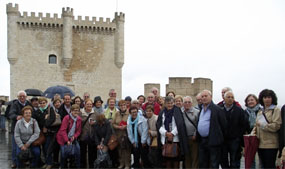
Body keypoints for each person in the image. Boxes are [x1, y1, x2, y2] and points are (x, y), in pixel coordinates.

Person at [251, 89, 281, 168]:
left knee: (269, 166)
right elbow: (256, 125)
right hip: (260, 144)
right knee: (262, 165)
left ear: (272, 98)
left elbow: (276, 125)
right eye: (265, 97)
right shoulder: (260, 111)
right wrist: (252, 134)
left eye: (269, 97)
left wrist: (263, 126)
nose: (267, 99)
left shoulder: (276, 110)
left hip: (271, 144)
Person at [197, 90, 227, 169]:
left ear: (211, 97)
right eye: (202, 96)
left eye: (206, 96)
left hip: (213, 141)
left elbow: (223, 126)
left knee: (214, 163)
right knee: (203, 163)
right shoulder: (201, 109)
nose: (204, 98)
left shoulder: (217, 109)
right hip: (202, 141)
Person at [157, 96, 189, 169]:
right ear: (165, 104)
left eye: (171, 103)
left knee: (175, 159)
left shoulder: (177, 110)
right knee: (167, 158)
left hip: (175, 140)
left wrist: (172, 133)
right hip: (165, 139)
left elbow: (180, 124)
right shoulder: (162, 112)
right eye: (168, 103)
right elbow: (159, 125)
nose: (170, 105)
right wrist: (165, 133)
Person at [219, 91, 247, 169]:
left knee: (234, 160)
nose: (230, 99)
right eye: (228, 97)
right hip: (223, 139)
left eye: (232, 97)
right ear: (224, 98)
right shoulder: (219, 109)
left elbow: (243, 124)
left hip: (234, 139)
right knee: (223, 159)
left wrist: (238, 135)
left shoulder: (239, 110)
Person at [9, 91, 32, 168]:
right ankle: (14, 162)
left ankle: (25, 160)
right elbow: (11, 114)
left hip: (26, 129)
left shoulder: (28, 104)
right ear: (18, 97)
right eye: (20, 96)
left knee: (26, 146)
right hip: (16, 129)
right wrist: (16, 117)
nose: (22, 98)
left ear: (26, 97)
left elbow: (33, 113)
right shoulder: (14, 104)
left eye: (23, 96)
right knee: (15, 147)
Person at [56, 104, 82, 168]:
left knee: (77, 151)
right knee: (63, 153)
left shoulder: (79, 119)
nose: (76, 112)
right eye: (74, 111)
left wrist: (74, 136)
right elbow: (63, 130)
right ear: (71, 111)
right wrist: (67, 140)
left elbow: (79, 131)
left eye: (77, 111)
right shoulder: (67, 118)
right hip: (63, 138)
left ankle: (77, 166)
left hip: (72, 138)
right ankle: (62, 166)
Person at [32, 97, 54, 169]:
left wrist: (46, 125)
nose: (42, 104)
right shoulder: (37, 112)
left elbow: (52, 119)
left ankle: (49, 163)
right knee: (44, 148)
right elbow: (36, 121)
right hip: (41, 133)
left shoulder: (50, 110)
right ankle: (46, 162)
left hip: (49, 132)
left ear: (46, 103)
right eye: (40, 103)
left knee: (48, 148)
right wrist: (44, 118)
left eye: (43, 103)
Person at [79, 99, 98, 168]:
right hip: (83, 135)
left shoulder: (95, 113)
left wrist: (95, 123)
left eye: (90, 104)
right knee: (82, 152)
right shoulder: (80, 113)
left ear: (92, 105)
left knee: (92, 153)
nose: (89, 105)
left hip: (92, 136)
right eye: (87, 104)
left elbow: (99, 123)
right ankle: (83, 166)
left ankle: (91, 166)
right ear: (85, 105)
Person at [181, 96, 199, 169]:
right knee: (187, 158)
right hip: (185, 138)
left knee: (195, 157)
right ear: (183, 103)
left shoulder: (197, 112)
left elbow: (198, 125)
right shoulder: (181, 112)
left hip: (193, 138)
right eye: (185, 102)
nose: (187, 104)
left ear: (191, 103)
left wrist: (195, 134)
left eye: (189, 102)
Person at [113, 100, 130, 169]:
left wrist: (126, 126)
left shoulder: (129, 113)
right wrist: (118, 127)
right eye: (121, 105)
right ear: (119, 106)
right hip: (118, 134)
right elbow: (113, 123)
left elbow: (131, 123)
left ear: (126, 106)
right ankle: (121, 163)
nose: (122, 106)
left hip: (126, 135)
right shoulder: (117, 113)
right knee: (120, 150)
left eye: (124, 105)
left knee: (127, 150)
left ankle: (127, 164)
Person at [244, 94, 260, 168]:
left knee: (261, 160)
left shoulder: (261, 111)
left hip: (260, 137)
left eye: (252, 100)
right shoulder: (244, 112)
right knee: (250, 161)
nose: (250, 102)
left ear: (256, 101)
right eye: (248, 100)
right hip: (249, 138)